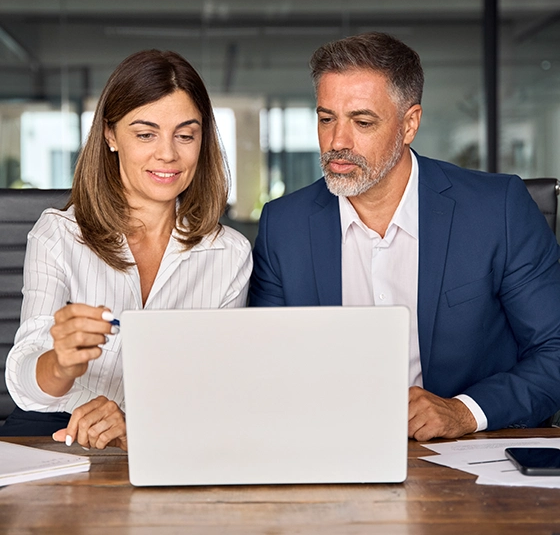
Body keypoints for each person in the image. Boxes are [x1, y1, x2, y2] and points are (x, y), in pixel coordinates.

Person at [249, 32, 560, 442]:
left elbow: (553, 350)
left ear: (409, 123)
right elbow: (265, 369)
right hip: (329, 451)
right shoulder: (282, 226)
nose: (337, 143)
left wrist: (464, 412)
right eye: (326, 119)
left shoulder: (497, 209)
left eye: (362, 122)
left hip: (466, 458)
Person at [4, 50, 252, 449]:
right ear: (110, 135)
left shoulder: (229, 254)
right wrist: (62, 362)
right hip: (52, 426)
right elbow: (27, 378)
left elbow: (215, 392)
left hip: (164, 435)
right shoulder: (59, 234)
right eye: (145, 133)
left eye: (185, 135)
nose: (168, 153)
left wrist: (134, 428)